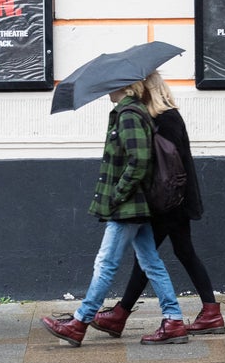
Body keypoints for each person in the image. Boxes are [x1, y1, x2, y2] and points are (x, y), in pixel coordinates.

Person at [41, 79, 189, 347]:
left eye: (112, 86)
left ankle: (79, 322)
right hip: (134, 205)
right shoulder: (129, 112)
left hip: (127, 206)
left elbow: (139, 160)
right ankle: (174, 320)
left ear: (125, 87)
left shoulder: (129, 114)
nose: (107, 90)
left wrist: (117, 195)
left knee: (105, 264)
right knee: (151, 263)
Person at [89, 72, 225, 339]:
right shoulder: (162, 116)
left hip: (168, 200)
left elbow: (168, 165)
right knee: (182, 252)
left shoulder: (165, 119)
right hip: (175, 199)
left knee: (148, 257)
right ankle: (211, 311)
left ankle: (121, 314)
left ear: (147, 90)